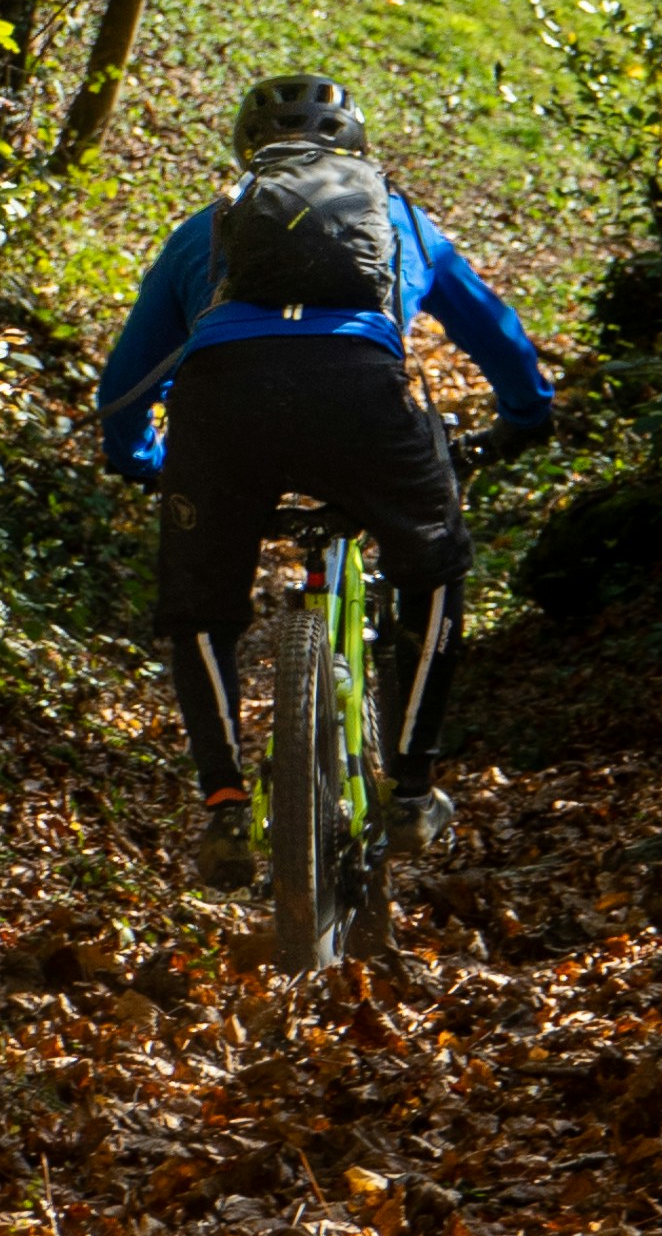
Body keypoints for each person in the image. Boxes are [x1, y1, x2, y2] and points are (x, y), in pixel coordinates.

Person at [98, 74, 558, 888]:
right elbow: (496, 332)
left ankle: (225, 803)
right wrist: (526, 416)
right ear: (356, 151)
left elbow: (128, 382)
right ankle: (412, 789)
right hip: (358, 399)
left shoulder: (203, 232)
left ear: (249, 152)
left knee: (200, 607)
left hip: (223, 407)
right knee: (435, 563)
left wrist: (144, 459)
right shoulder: (402, 219)